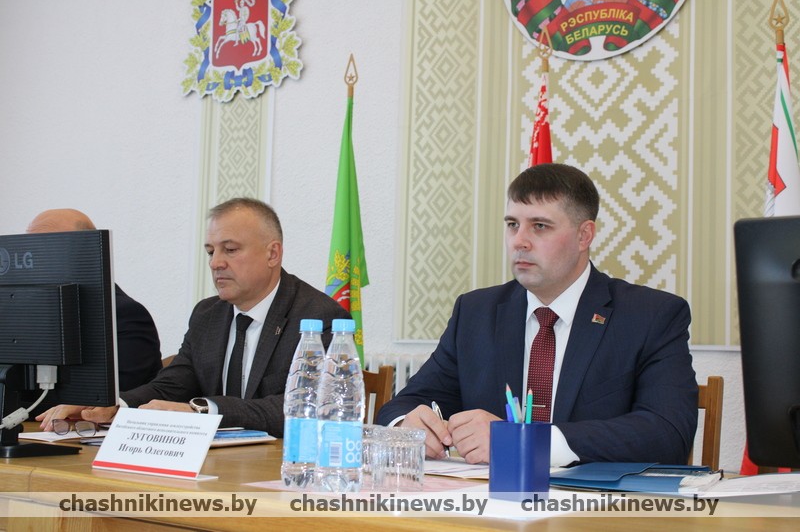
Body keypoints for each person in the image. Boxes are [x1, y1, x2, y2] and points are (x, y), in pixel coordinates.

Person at [376, 163, 698, 467]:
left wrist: (525, 443)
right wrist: (408, 426)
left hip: (597, 503)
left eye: (540, 226)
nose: (519, 241)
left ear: (584, 236)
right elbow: (405, 404)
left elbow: (668, 433)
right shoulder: (476, 312)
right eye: (512, 225)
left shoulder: (650, 316)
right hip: (489, 501)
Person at [37, 198, 350, 435]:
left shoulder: (318, 317)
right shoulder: (207, 314)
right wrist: (115, 405)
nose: (215, 263)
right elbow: (174, 384)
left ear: (272, 253)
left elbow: (302, 407)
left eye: (230, 250)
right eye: (211, 251)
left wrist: (202, 411)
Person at [26, 209, 162, 392]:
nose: (32, 257)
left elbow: (110, 393)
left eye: (46, 246)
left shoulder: (124, 314)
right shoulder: (22, 310)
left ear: (84, 251)